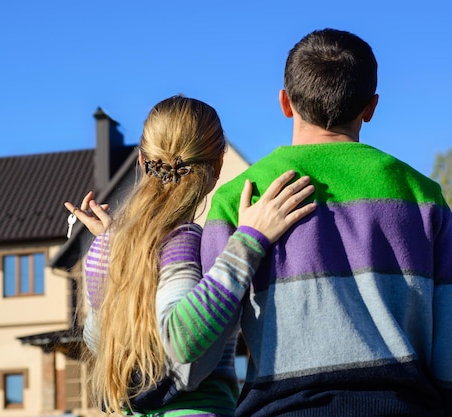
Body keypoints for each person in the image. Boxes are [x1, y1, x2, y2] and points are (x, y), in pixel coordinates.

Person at [201, 28, 452, 416]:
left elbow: (207, 343)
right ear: (370, 107)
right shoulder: (424, 197)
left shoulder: (239, 198)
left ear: (285, 102)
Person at [65, 95, 316, 416]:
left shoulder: (105, 248)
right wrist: (250, 240)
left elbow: (98, 341)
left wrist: (126, 246)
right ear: (218, 166)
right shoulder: (183, 240)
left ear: (141, 161)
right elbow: (182, 338)